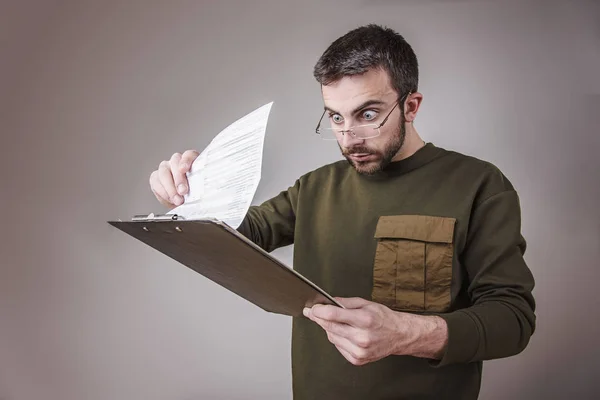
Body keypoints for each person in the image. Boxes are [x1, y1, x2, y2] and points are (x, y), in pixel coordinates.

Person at [148, 24, 536, 400]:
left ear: (411, 106)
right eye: (335, 117)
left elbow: (513, 319)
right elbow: (239, 232)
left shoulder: (479, 185)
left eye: (367, 115)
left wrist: (407, 332)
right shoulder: (314, 187)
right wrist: (192, 193)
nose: (348, 137)